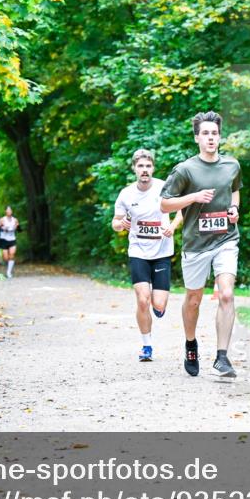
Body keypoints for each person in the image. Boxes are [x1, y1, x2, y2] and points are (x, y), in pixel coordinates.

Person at [160, 111, 241, 378]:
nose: (210, 138)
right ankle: (191, 343)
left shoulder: (232, 165)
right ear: (197, 137)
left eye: (214, 133)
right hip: (196, 244)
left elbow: (236, 191)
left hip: (226, 239)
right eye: (205, 133)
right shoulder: (185, 169)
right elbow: (165, 203)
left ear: (220, 137)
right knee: (193, 299)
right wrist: (193, 196)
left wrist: (234, 209)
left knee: (226, 294)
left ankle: (222, 358)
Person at [112, 149, 182, 363]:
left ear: (153, 168)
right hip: (138, 251)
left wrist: (172, 225)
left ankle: (158, 305)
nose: (144, 170)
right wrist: (120, 225)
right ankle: (146, 346)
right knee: (142, 300)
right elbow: (115, 222)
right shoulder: (126, 194)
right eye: (141, 166)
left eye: (148, 166)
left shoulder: (164, 188)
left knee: (158, 305)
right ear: (134, 168)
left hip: (162, 252)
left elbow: (181, 210)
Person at [0, 206, 19, 278]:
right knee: (6, 257)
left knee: (12, 255)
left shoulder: (15, 220)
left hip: (12, 239)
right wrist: (2, 227)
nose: (9, 211)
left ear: (12, 211)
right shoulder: (2, 219)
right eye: (8, 210)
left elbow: (19, 229)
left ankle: (9, 272)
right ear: (5, 211)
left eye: (10, 210)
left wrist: (17, 227)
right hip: (4, 239)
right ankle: (7, 265)